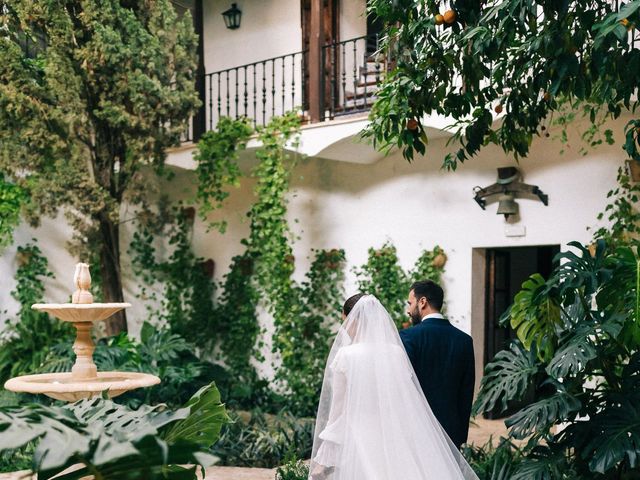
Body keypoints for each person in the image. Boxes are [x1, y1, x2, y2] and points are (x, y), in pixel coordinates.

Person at [309, 294, 478, 480]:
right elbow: (405, 398)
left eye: (345, 322)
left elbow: (338, 408)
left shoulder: (346, 355)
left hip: (359, 435)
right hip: (393, 433)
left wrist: (327, 450)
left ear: (353, 320)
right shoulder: (396, 352)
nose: (345, 329)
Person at [400, 280, 475, 450]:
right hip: (452, 430)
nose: (408, 310)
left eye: (410, 303)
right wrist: (460, 435)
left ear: (422, 302)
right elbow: (466, 391)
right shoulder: (464, 341)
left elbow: (403, 387)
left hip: (416, 430)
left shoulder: (408, 337)